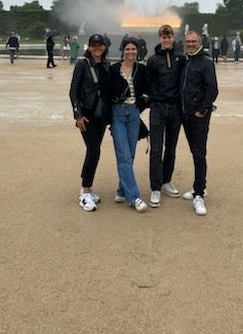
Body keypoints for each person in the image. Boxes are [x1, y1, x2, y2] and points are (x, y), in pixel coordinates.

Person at [69, 34, 111, 212]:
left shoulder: (106, 64)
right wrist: (77, 115)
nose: (97, 48)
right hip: (86, 115)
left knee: (93, 151)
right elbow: (73, 91)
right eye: (94, 45)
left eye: (100, 45)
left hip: (100, 115)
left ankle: (88, 188)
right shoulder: (82, 64)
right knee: (94, 150)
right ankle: (84, 191)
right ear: (89, 47)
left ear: (104, 47)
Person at [146, 24, 186, 207]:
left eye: (169, 36)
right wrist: (154, 100)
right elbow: (148, 83)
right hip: (158, 108)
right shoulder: (153, 60)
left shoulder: (181, 58)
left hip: (175, 108)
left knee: (171, 147)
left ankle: (165, 180)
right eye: (163, 37)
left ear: (173, 37)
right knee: (156, 149)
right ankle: (155, 187)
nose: (167, 39)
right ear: (160, 39)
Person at [180, 31, 218, 216]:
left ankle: (199, 194)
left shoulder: (206, 63)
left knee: (199, 153)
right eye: (188, 41)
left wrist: (201, 110)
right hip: (186, 114)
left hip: (198, 115)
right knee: (195, 151)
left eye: (193, 41)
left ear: (200, 42)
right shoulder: (186, 61)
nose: (190, 44)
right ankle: (199, 186)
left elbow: (212, 89)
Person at [110, 37, 148, 212]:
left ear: (137, 51)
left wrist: (143, 104)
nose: (131, 52)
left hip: (133, 114)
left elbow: (150, 89)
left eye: (134, 49)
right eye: (128, 49)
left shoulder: (142, 70)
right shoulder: (113, 70)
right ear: (122, 50)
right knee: (124, 154)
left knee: (130, 154)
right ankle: (134, 197)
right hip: (117, 114)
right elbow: (104, 93)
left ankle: (121, 189)